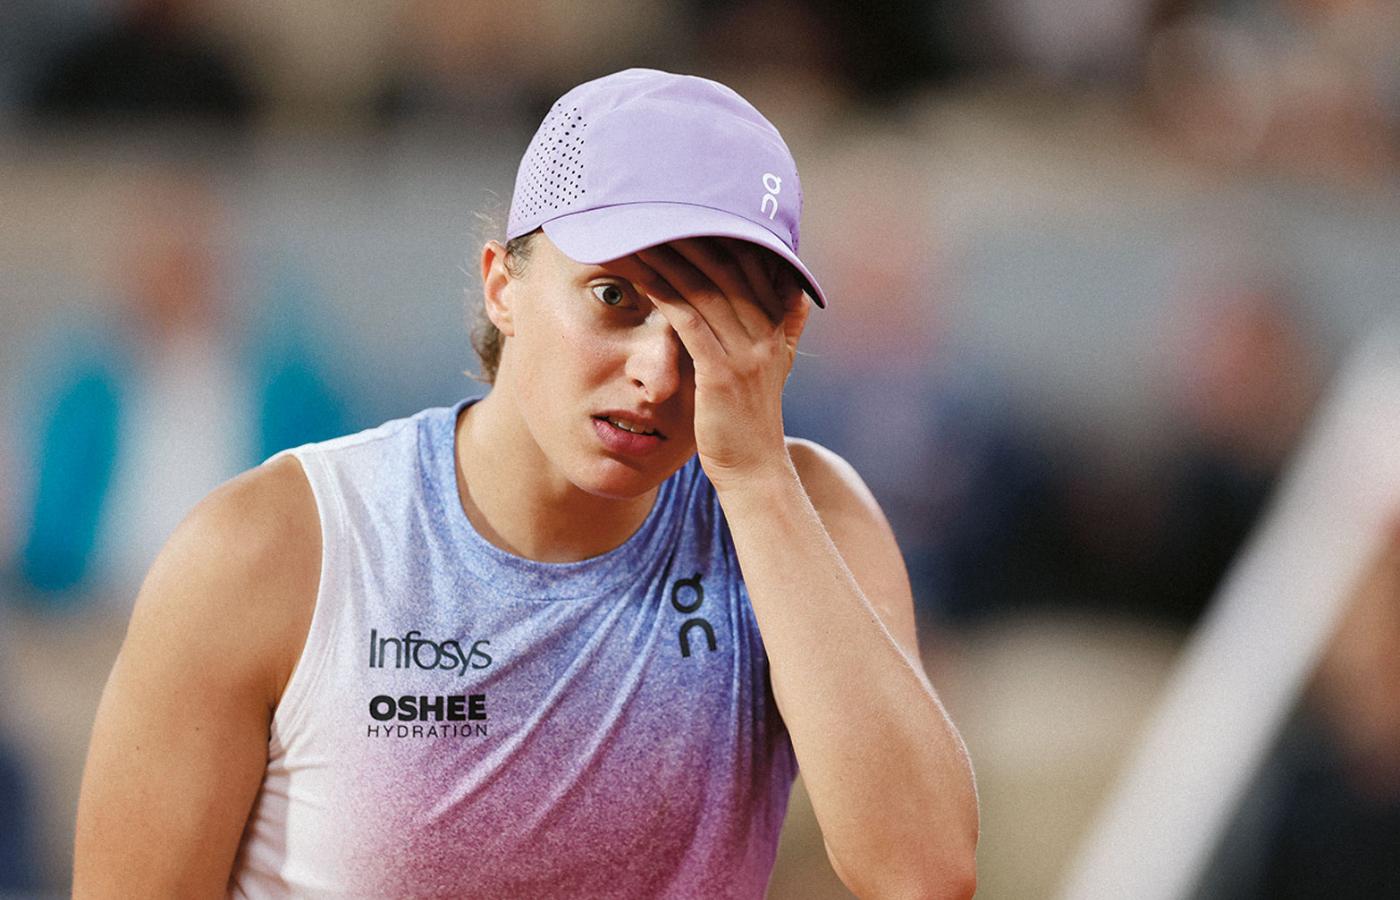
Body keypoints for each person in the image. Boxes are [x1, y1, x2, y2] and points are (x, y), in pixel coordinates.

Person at [73, 68, 978, 898]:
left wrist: (755, 479)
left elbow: (925, 873)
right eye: (616, 298)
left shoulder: (805, 516)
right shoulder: (271, 548)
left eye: (715, 325)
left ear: (780, 338)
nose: (658, 374)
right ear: (503, 286)